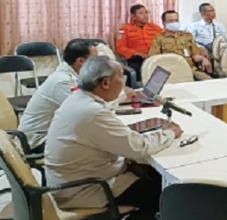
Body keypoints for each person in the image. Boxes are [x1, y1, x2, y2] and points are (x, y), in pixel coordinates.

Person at [44, 56, 182, 219]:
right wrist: (170, 132)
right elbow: (139, 148)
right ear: (105, 83)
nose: (124, 82)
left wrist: (124, 96)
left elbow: (105, 110)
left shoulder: (79, 99)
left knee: (147, 172)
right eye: (121, 76)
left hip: (71, 181)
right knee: (166, 196)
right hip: (84, 190)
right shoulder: (92, 113)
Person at [18, 39, 98, 152]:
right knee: (94, 141)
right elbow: (86, 110)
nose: (98, 64)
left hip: (52, 133)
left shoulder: (75, 75)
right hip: (37, 142)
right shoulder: (62, 82)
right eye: (94, 60)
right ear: (81, 61)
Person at [149, 10, 213, 80]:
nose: (174, 23)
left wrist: (203, 59)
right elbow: (154, 59)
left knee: (209, 81)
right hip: (169, 70)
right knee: (155, 88)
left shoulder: (187, 36)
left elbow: (194, 55)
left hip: (189, 68)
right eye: (171, 21)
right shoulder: (159, 38)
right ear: (164, 23)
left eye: (176, 20)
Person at [115, 4, 163, 80]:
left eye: (146, 13)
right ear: (133, 16)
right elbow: (120, 48)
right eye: (141, 13)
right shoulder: (124, 29)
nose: (145, 15)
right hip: (137, 59)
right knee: (136, 69)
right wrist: (136, 53)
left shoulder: (155, 28)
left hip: (155, 57)